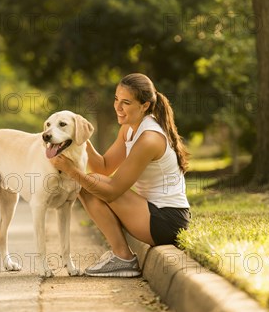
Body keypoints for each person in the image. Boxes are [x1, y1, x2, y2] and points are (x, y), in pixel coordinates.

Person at [49, 73, 191, 277]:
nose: (118, 107)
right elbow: (104, 167)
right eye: (116, 99)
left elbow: (112, 191)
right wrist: (80, 138)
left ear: (145, 105)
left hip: (167, 221)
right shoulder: (129, 129)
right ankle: (122, 256)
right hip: (150, 212)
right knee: (88, 185)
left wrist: (72, 171)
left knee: (90, 183)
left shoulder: (149, 138)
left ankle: (123, 258)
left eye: (126, 102)